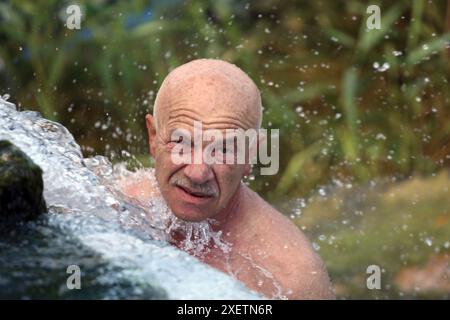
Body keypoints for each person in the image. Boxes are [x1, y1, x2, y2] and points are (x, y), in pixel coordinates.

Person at [122, 59, 334, 299]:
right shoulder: (115, 201)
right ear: (153, 136)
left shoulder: (289, 278)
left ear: (250, 154)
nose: (197, 173)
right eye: (182, 142)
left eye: (223, 149)